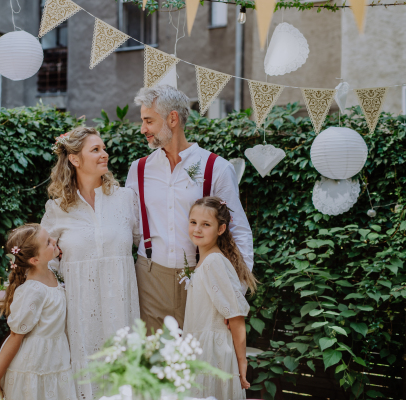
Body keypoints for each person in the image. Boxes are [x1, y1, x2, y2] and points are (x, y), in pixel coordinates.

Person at [125, 85, 254, 333]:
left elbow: (238, 230)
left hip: (203, 276)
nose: (143, 129)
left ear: (172, 119)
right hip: (150, 278)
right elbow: (131, 227)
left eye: (148, 121)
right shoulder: (138, 170)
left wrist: (235, 293)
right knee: (153, 363)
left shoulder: (216, 167)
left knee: (200, 360)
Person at [41, 126, 141, 400]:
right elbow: (43, 263)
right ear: (74, 159)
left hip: (122, 308)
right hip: (80, 312)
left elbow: (143, 244)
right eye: (95, 150)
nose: (104, 154)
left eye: (103, 148)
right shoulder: (58, 208)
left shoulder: (125, 199)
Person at [0, 223, 77, 400]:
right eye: (47, 242)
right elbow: (15, 336)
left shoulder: (52, 273)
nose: (54, 240)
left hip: (55, 360)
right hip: (32, 367)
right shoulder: (32, 290)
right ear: (34, 260)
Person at [184, 197, 257, 400]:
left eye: (206, 224)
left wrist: (242, 361)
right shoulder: (205, 261)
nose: (197, 229)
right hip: (199, 350)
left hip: (212, 355)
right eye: (193, 222)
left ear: (221, 229)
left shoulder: (214, 261)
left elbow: (235, 315)